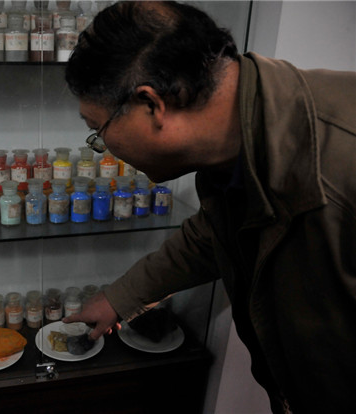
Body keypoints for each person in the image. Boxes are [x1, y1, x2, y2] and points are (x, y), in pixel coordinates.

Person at [62, 1, 356, 413]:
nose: (103, 147)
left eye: (99, 130)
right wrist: (119, 298)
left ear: (151, 105)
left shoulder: (342, 157)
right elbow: (212, 233)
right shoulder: (236, 140)